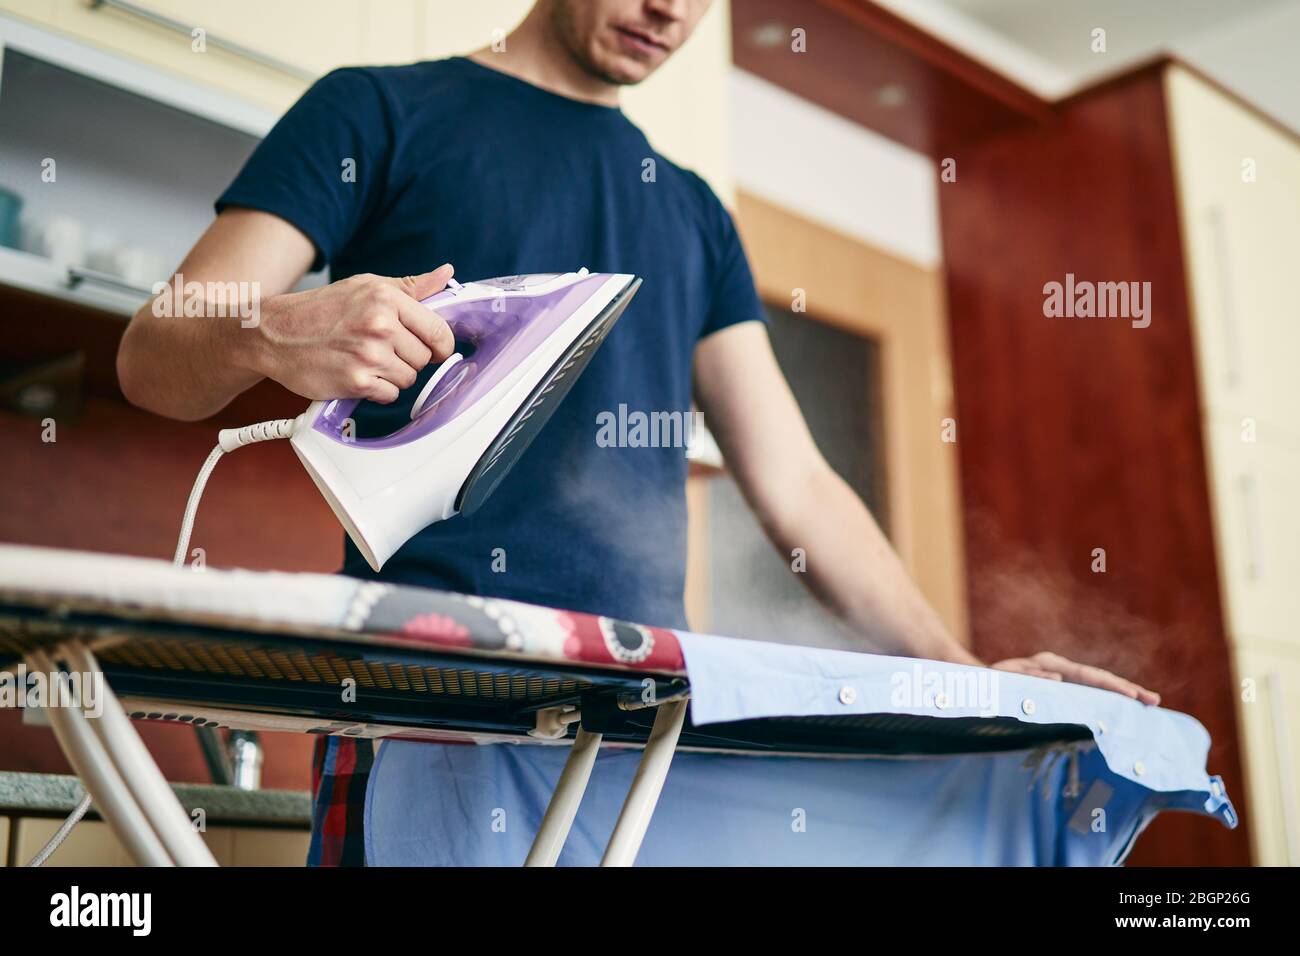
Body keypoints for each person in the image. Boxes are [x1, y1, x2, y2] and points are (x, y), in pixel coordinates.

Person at [117, 0, 1158, 865]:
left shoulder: (695, 214)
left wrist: (957, 666)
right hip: (429, 710)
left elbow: (794, 481)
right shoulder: (378, 111)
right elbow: (153, 351)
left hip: (640, 731)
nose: (672, 11)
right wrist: (272, 327)